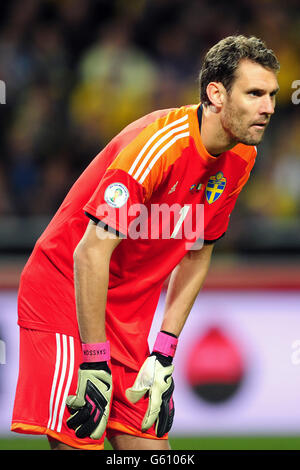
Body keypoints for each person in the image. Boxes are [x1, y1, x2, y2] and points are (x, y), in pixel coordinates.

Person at [11, 35, 280, 450]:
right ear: (216, 94)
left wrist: (165, 352)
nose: (268, 107)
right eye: (255, 94)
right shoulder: (159, 147)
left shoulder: (242, 158)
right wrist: (95, 359)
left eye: (273, 95)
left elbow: (198, 251)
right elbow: (90, 251)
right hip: (66, 293)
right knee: (80, 442)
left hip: (126, 313)